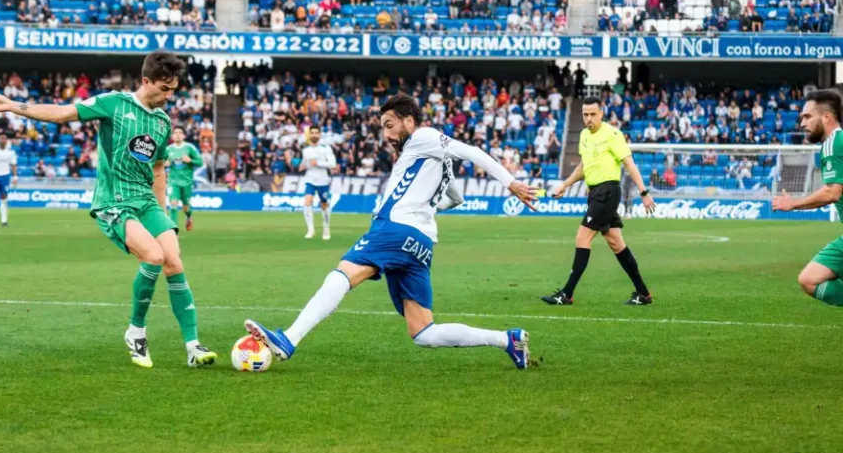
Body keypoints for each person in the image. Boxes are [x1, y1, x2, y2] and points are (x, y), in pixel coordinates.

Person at [242, 94, 539, 369]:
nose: (385, 134)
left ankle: (289, 338)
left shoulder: (423, 137)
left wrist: (510, 182)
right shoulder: (435, 159)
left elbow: (471, 151)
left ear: (409, 120)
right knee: (424, 332)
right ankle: (508, 340)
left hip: (395, 228)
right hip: (422, 242)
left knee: (343, 274)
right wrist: (424, 208)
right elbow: (456, 198)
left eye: (389, 125)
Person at [0, 52, 217, 370]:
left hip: (146, 201)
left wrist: (161, 216)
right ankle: (136, 332)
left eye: (173, 90)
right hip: (114, 201)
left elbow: (158, 170)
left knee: (173, 261)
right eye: (164, 88)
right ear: (145, 81)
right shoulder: (113, 103)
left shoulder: (163, 121)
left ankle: (192, 346)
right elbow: (63, 113)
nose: (169, 96)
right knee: (153, 257)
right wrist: (12, 105)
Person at [542, 96, 657, 306]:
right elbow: (583, 167)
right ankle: (643, 293)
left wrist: (644, 192)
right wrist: (565, 185)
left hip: (607, 192)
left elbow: (630, 164)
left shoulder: (612, 134)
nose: (589, 118)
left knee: (582, 237)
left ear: (601, 114)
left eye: (593, 114)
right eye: (585, 114)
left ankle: (566, 294)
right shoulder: (584, 135)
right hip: (595, 193)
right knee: (616, 243)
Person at [772, 89, 843, 307]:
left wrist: (793, 203)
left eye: (807, 116)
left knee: (810, 279)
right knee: (809, 279)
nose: (802, 123)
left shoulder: (833, 143)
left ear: (826, 117)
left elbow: (832, 192)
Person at [165, 126, 203, 231]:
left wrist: (190, 160)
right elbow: (160, 163)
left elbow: (200, 162)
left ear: (184, 136)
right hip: (173, 181)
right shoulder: (168, 149)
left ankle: (189, 216)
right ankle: (174, 231)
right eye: (175, 133)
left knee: (186, 207)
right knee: (173, 204)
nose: (177, 135)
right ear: (172, 136)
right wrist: (165, 164)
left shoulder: (189, 148)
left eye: (180, 133)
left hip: (187, 182)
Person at [300, 126, 335, 240]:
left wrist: (318, 163)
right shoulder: (306, 150)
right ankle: (310, 230)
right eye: (312, 133)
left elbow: (332, 163)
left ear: (319, 134)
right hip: (310, 179)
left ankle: (326, 228)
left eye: (316, 133)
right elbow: (304, 163)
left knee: (324, 204)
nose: (314, 135)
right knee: (307, 201)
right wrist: (302, 166)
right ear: (309, 135)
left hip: (323, 180)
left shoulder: (326, 148)